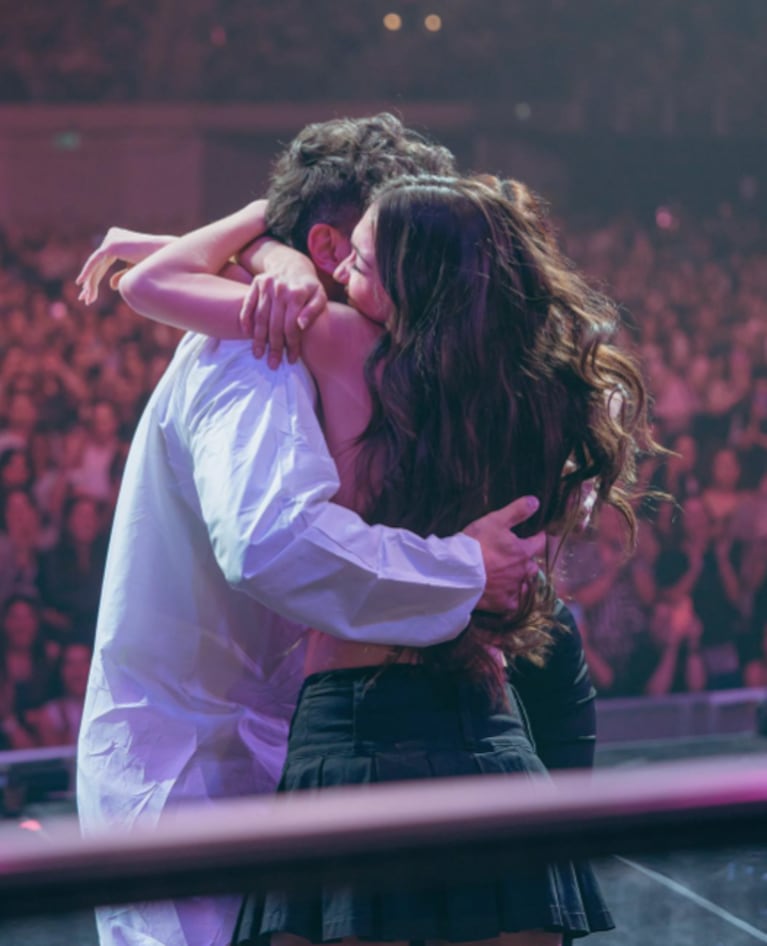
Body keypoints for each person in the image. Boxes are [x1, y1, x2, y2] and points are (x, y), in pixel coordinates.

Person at [121, 173, 655, 943]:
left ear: (418, 274)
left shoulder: (343, 344)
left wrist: (263, 230)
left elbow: (152, 285)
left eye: (360, 261)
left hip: (352, 726)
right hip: (489, 728)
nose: (337, 273)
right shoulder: (543, 390)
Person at [75, 115, 545, 946]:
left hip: (322, 740)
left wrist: (264, 239)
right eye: (367, 239)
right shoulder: (261, 341)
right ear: (333, 247)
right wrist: (462, 569)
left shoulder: (372, 351)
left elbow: (150, 282)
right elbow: (271, 544)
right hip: (198, 763)